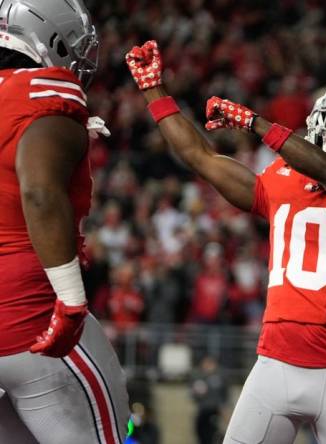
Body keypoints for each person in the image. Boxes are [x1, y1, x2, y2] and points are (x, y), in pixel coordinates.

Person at [125, 40, 326, 444]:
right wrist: (154, 92)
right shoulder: (281, 177)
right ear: (319, 123)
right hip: (274, 364)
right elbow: (201, 157)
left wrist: (255, 123)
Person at [0, 1, 130, 443]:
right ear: (50, 39)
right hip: (32, 319)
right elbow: (38, 192)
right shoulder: (45, 93)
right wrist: (71, 303)